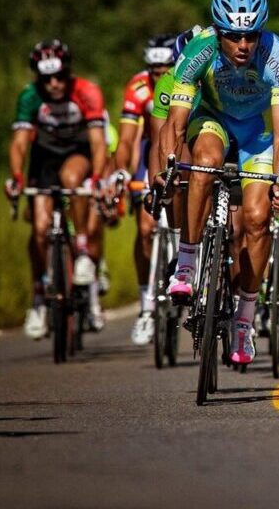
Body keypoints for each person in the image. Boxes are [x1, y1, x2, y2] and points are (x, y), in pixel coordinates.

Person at [158, 0, 279, 365]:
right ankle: (186, 261)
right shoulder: (199, 52)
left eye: (251, 36)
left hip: (256, 134)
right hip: (213, 122)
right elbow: (175, 121)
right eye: (234, 37)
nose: (243, 46)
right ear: (218, 32)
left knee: (256, 219)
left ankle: (244, 321)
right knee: (204, 162)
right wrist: (171, 164)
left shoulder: (277, 57)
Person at [6, 40, 108, 338]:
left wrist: (99, 177)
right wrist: (16, 176)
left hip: (78, 154)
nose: (53, 84)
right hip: (44, 159)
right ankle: (38, 296)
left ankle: (82, 249)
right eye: (46, 78)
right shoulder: (30, 96)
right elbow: (21, 143)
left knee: (72, 179)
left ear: (69, 73)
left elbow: (99, 142)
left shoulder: (87, 92)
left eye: (59, 76)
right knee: (39, 228)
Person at [110, 34, 177, 345]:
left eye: (165, 69)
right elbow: (127, 139)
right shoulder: (138, 87)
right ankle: (146, 306)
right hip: (149, 149)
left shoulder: (185, 77)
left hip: (180, 144)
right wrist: (123, 171)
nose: (160, 75)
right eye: (154, 70)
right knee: (146, 227)